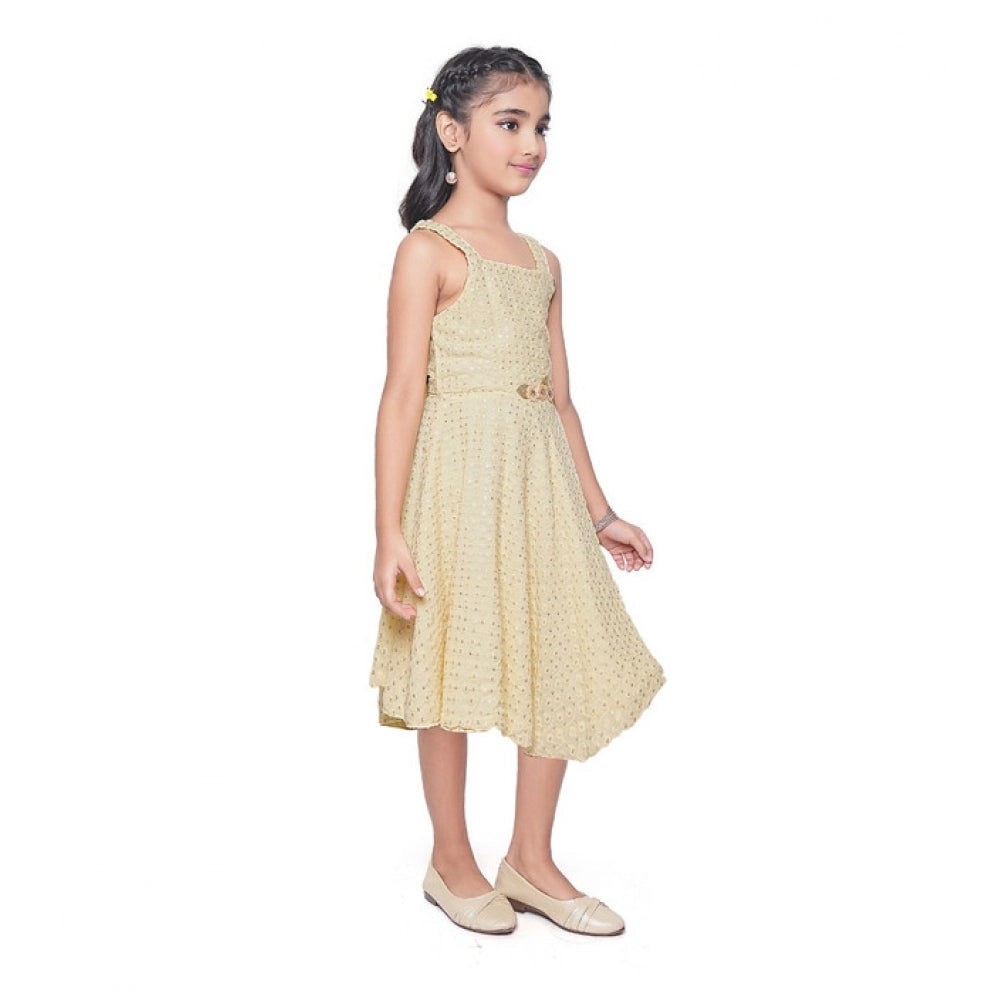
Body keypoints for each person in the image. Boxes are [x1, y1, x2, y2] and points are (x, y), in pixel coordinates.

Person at [369, 45, 666, 936]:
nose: (532, 143)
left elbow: (560, 399)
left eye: (541, 126)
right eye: (510, 123)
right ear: (453, 132)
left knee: (556, 650)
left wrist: (601, 512)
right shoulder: (429, 251)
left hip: (539, 484)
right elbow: (403, 394)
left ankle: (530, 859)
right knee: (449, 658)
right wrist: (388, 531)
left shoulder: (543, 262)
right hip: (457, 484)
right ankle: (451, 859)